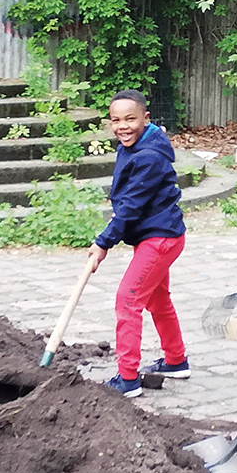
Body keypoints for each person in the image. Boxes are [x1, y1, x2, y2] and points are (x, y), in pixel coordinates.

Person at [88, 89, 189, 397]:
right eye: (116, 120)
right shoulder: (133, 145)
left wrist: (103, 242)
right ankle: (176, 360)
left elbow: (130, 207)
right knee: (157, 300)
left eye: (130, 119)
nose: (123, 126)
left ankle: (128, 378)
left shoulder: (148, 157)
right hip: (156, 234)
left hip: (160, 239)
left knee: (128, 301)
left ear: (146, 118)